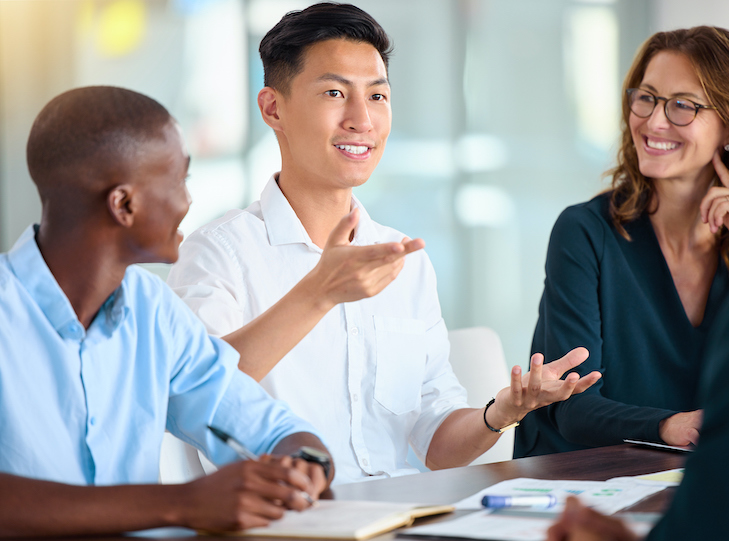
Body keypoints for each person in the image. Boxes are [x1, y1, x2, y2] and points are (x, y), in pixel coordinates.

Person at [167, 2, 601, 484]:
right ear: (273, 108)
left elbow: (437, 445)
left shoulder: (403, 259)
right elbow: (197, 397)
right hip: (283, 518)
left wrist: (501, 412)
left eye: (377, 96)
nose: (361, 119)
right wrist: (320, 293)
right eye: (335, 92)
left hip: (398, 513)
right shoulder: (218, 253)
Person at [0, 86, 334, 537]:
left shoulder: (153, 310)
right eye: (179, 180)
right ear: (124, 204)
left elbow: (263, 424)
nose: (188, 202)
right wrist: (182, 504)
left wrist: (304, 462)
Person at [546, 28, 729, 541]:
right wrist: (671, 426)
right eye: (647, 97)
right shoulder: (585, 232)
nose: (653, 120)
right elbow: (571, 405)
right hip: (574, 496)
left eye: (682, 105)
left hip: (690, 499)